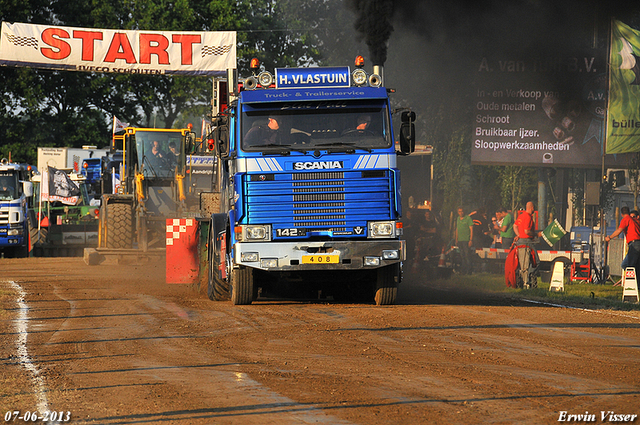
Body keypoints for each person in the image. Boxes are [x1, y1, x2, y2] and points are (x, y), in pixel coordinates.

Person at [512, 201, 542, 288]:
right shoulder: (528, 217)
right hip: (527, 242)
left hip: (520, 242)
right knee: (536, 262)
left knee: (523, 263)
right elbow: (527, 231)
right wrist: (537, 234)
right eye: (534, 207)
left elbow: (515, 226)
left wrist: (518, 235)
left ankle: (524, 280)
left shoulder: (521, 216)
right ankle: (530, 275)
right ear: (532, 208)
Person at [605, 206, 640, 271]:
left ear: (621, 214)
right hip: (637, 243)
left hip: (634, 244)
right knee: (636, 266)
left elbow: (619, 231)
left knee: (629, 265)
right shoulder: (635, 220)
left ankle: (630, 280)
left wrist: (609, 237)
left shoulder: (626, 219)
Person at [455, 207, 474, 274]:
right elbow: (457, 229)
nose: (461, 213)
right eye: (459, 211)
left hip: (466, 240)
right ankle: (463, 270)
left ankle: (469, 270)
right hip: (460, 240)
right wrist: (456, 239)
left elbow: (471, 229)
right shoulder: (458, 219)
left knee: (467, 255)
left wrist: (471, 240)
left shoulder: (468, 218)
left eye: (462, 211)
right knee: (462, 255)